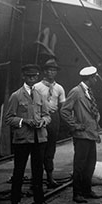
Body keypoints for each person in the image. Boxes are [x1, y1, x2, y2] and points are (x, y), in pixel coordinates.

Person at [4, 64, 56, 204]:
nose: (32, 79)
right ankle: (14, 203)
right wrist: (25, 121)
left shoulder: (40, 95)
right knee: (19, 171)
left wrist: (43, 121)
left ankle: (40, 202)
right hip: (23, 140)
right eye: (29, 76)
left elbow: (47, 115)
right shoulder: (16, 96)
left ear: (37, 77)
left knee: (38, 171)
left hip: (39, 139)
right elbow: (8, 118)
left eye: (34, 76)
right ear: (24, 77)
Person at [61, 66, 102, 204]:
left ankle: (87, 190)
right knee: (80, 165)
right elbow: (64, 111)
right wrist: (75, 126)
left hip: (91, 133)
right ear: (90, 78)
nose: (96, 79)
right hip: (81, 135)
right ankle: (77, 193)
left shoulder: (88, 91)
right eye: (95, 77)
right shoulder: (76, 92)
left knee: (90, 164)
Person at [34, 58, 66, 188]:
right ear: (45, 72)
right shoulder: (37, 87)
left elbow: (63, 105)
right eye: (49, 70)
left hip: (54, 118)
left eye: (54, 70)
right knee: (39, 148)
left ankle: (50, 178)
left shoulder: (59, 88)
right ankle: (37, 180)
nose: (51, 73)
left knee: (51, 148)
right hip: (40, 118)